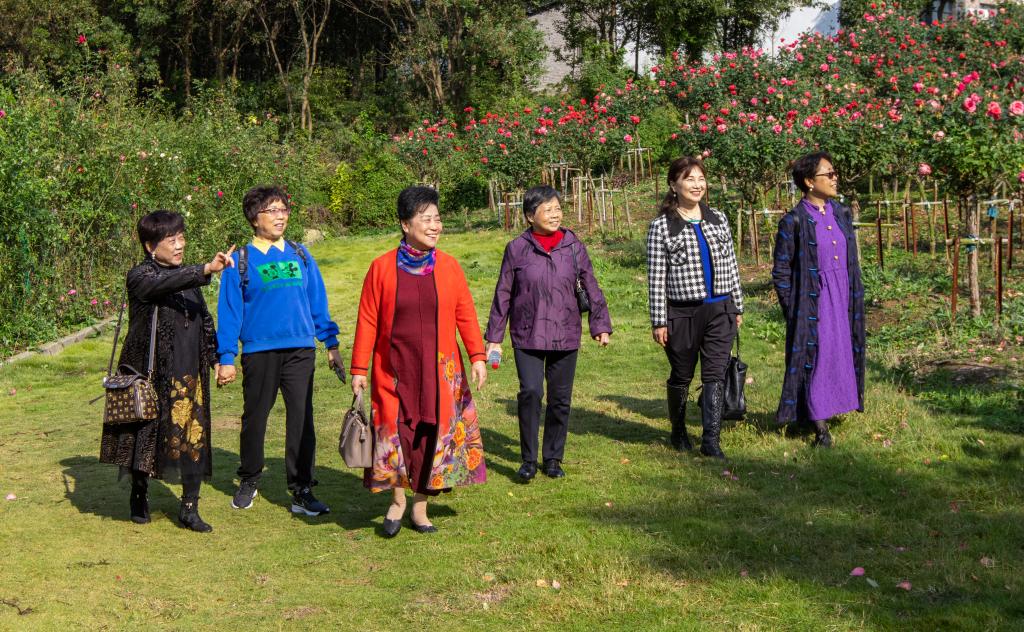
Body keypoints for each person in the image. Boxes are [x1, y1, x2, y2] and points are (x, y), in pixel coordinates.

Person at [350, 185, 487, 537]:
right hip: (394, 370)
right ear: (405, 224)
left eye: (437, 219)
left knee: (431, 434)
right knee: (396, 434)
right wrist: (359, 368)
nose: (434, 226)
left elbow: (465, 313)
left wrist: (477, 355)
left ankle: (420, 507)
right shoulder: (381, 268)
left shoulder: (449, 267)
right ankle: (397, 501)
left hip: (439, 371)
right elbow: (367, 320)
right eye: (426, 219)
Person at [99, 210, 234, 532]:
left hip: (189, 373)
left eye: (181, 238)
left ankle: (190, 508)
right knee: (146, 438)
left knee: (193, 438)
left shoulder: (188, 279)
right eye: (171, 240)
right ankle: (139, 493)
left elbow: (204, 321)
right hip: (150, 375)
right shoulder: (141, 276)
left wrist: (217, 360)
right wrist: (204, 269)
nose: (179, 245)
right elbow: (162, 284)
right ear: (150, 246)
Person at [216, 185, 343, 516]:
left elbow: (317, 301)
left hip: (300, 350)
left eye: (284, 210)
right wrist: (226, 357)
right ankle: (249, 478)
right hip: (260, 352)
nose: (280, 216)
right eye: (272, 210)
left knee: (302, 419)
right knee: (255, 418)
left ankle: (302, 489)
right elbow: (230, 312)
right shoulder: (239, 261)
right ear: (254, 218)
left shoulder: (300, 254)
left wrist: (330, 343)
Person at [484, 185, 612, 481]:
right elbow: (503, 293)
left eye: (558, 209)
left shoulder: (573, 246)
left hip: (565, 332)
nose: (555, 215)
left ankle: (553, 458)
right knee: (531, 392)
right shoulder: (517, 248)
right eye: (548, 210)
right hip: (527, 333)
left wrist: (600, 324)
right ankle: (528, 459)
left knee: (560, 398)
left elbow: (590, 285)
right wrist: (494, 338)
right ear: (530, 216)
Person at [647, 156, 744, 459]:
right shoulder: (661, 227)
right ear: (673, 185)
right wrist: (659, 320)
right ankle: (678, 431)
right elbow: (656, 278)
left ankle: (711, 440)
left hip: (720, 309)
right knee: (682, 373)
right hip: (682, 313)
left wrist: (737, 306)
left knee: (715, 373)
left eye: (701, 178)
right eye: (689, 179)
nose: (697, 185)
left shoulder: (719, 219)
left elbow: (732, 265)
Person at [771, 152, 865, 446]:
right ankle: (820, 426)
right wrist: (793, 308)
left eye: (835, 173)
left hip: (844, 295)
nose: (836, 178)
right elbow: (781, 271)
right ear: (810, 182)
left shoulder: (842, 213)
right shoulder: (794, 221)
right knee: (817, 357)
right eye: (829, 174)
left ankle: (832, 405)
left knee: (840, 352)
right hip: (815, 300)